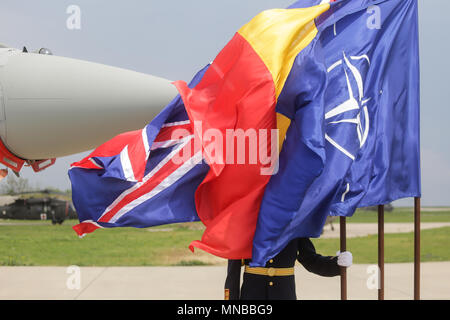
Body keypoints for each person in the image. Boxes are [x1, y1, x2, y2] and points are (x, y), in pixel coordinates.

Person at [224, 238, 352, 300]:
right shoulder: (247, 218)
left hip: (284, 295)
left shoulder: (296, 220)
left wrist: (336, 264)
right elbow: (233, 272)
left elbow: (310, 259)